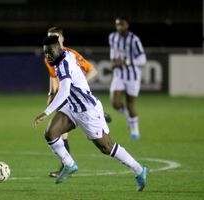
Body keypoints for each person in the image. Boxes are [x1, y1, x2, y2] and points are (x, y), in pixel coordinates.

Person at [33, 35, 148, 191]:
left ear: (58, 49)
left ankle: (139, 170)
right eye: (45, 53)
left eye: (49, 52)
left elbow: (65, 90)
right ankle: (69, 164)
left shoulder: (64, 64)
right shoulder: (66, 55)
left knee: (107, 147)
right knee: (50, 133)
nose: (47, 56)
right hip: (73, 107)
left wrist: (46, 112)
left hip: (88, 111)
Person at [44, 27, 111, 177]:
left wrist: (78, 86)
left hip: (74, 96)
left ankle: (67, 167)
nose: (52, 40)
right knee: (59, 134)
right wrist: (51, 93)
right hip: (62, 97)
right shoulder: (49, 55)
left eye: (55, 37)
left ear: (62, 38)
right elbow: (52, 75)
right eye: (49, 37)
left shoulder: (71, 54)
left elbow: (92, 70)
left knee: (61, 134)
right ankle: (67, 166)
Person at [108, 17, 147, 140]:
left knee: (130, 104)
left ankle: (135, 132)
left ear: (127, 25)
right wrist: (113, 62)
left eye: (122, 25)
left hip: (133, 76)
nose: (119, 27)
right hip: (119, 74)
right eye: (117, 25)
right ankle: (128, 117)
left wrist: (125, 62)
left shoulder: (134, 39)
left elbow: (143, 59)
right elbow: (113, 52)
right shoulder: (112, 37)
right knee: (115, 102)